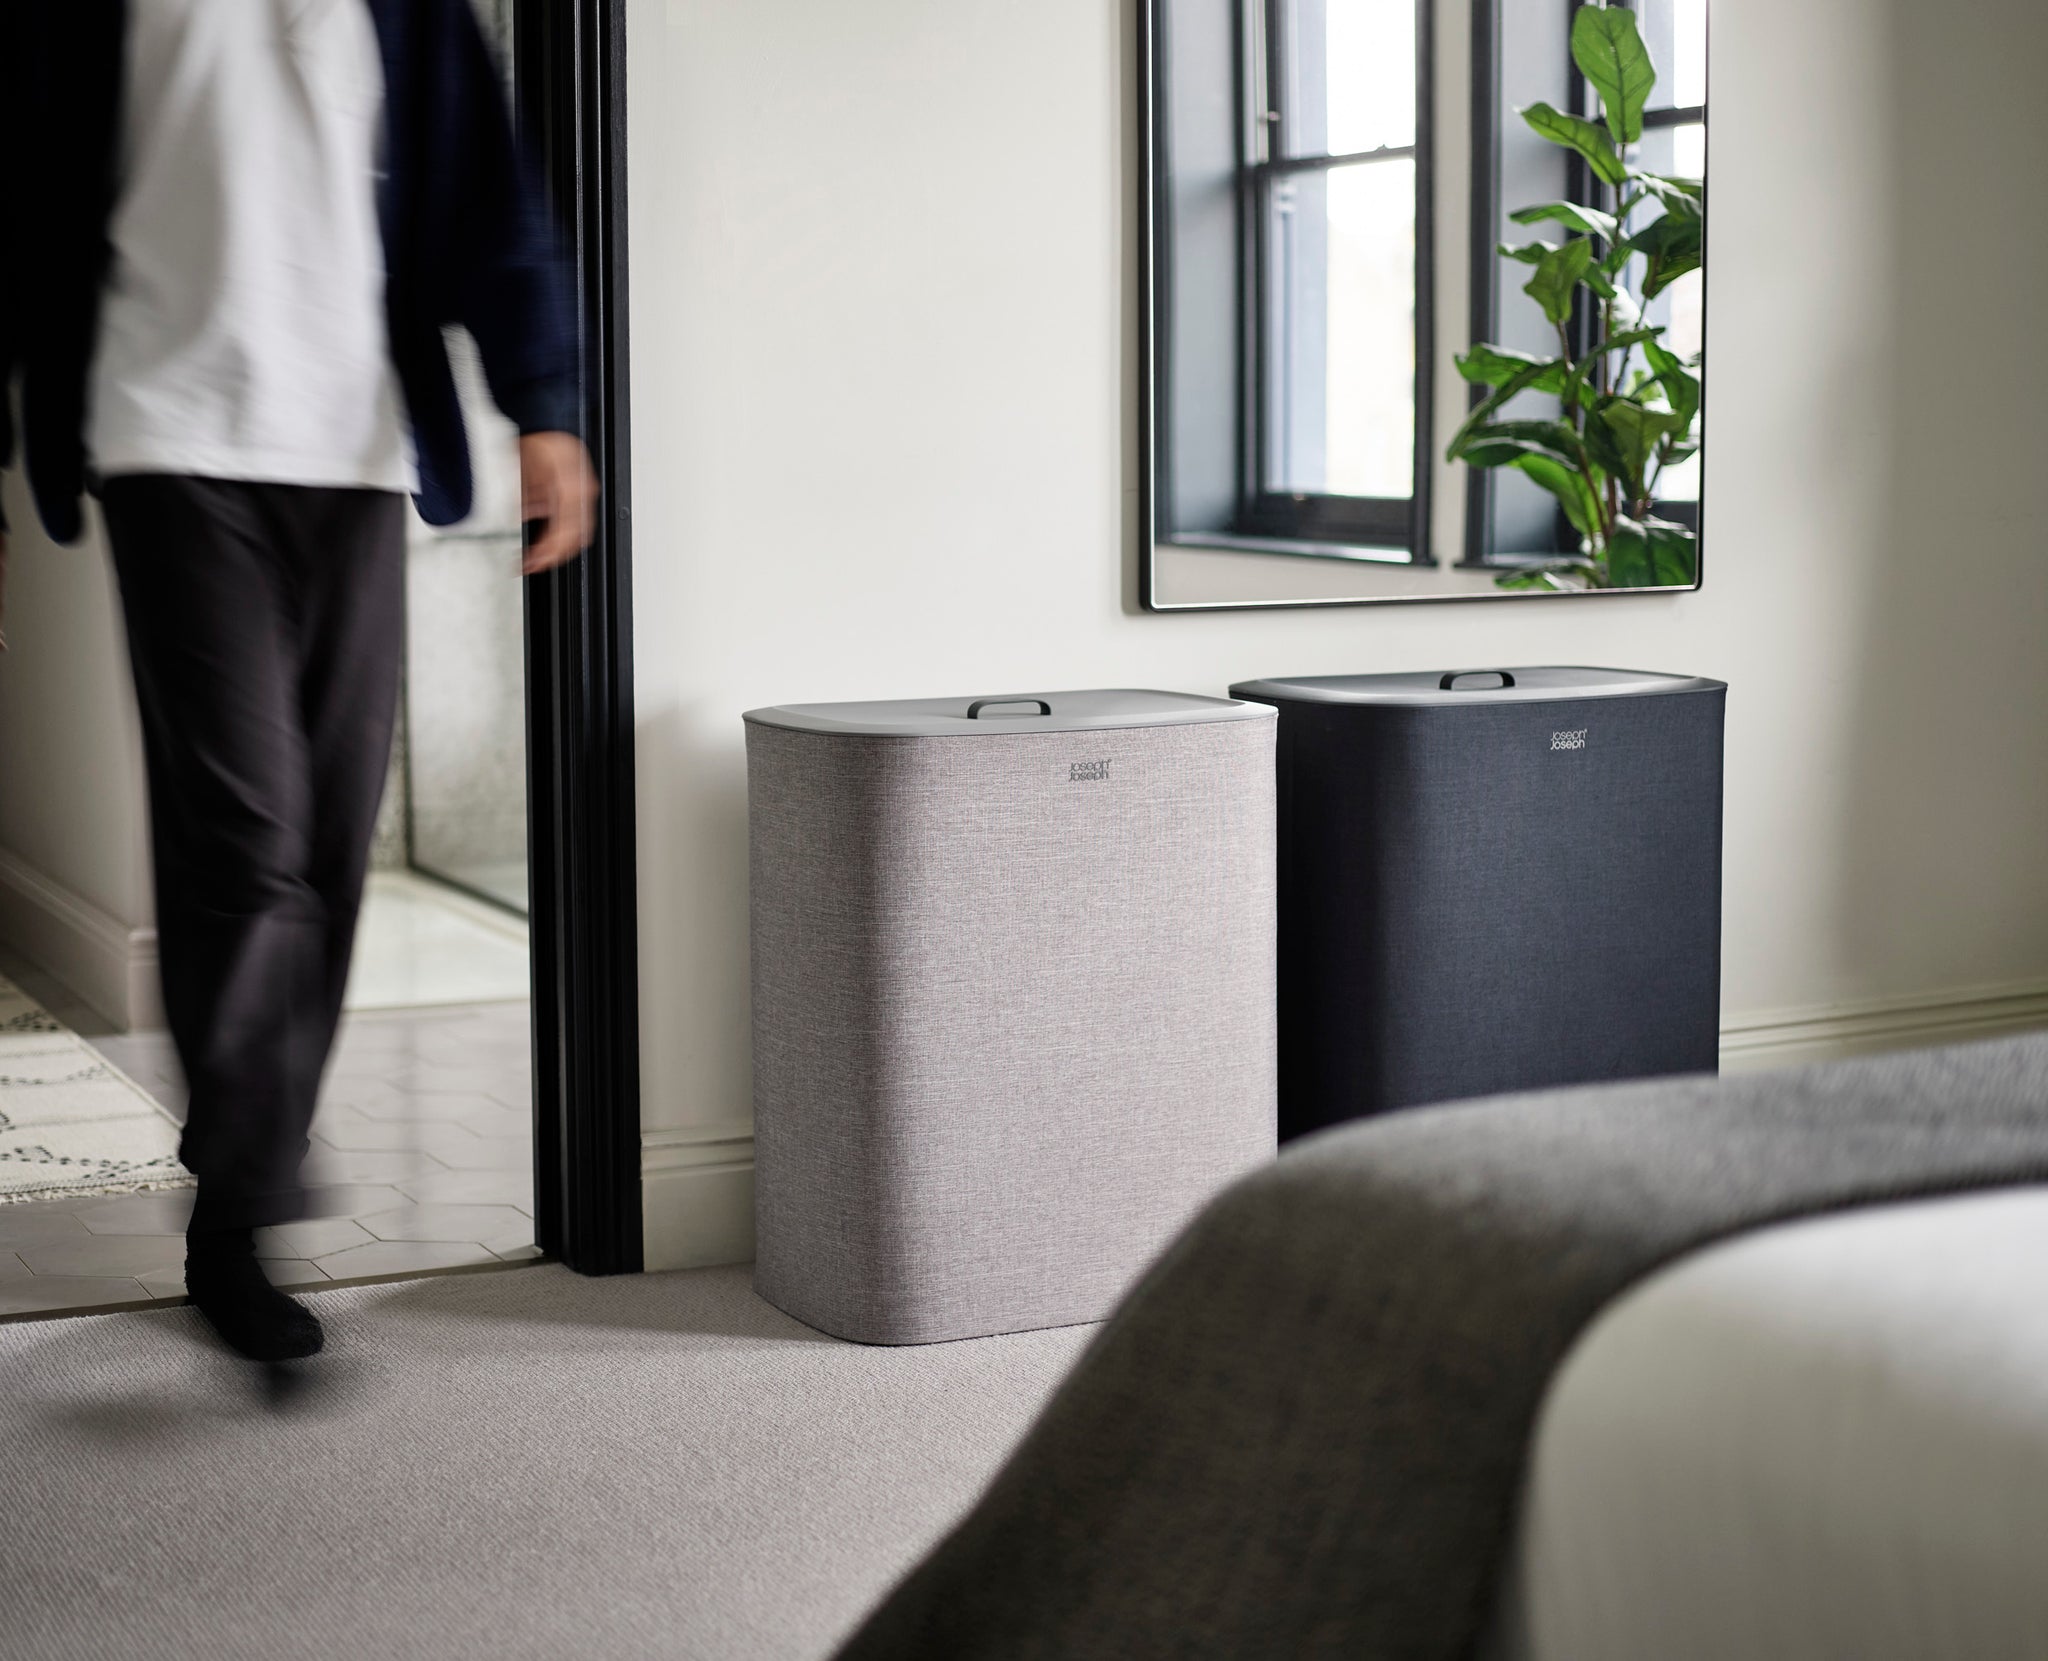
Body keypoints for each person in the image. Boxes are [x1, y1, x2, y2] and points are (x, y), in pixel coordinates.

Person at [0, 0, 597, 1363]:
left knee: (325, 844)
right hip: (166, 433)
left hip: (356, 451)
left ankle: (239, 1155)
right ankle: (244, 1203)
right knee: (245, 830)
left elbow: (487, 196)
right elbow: (17, 206)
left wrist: (547, 404)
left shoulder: (411, 11)